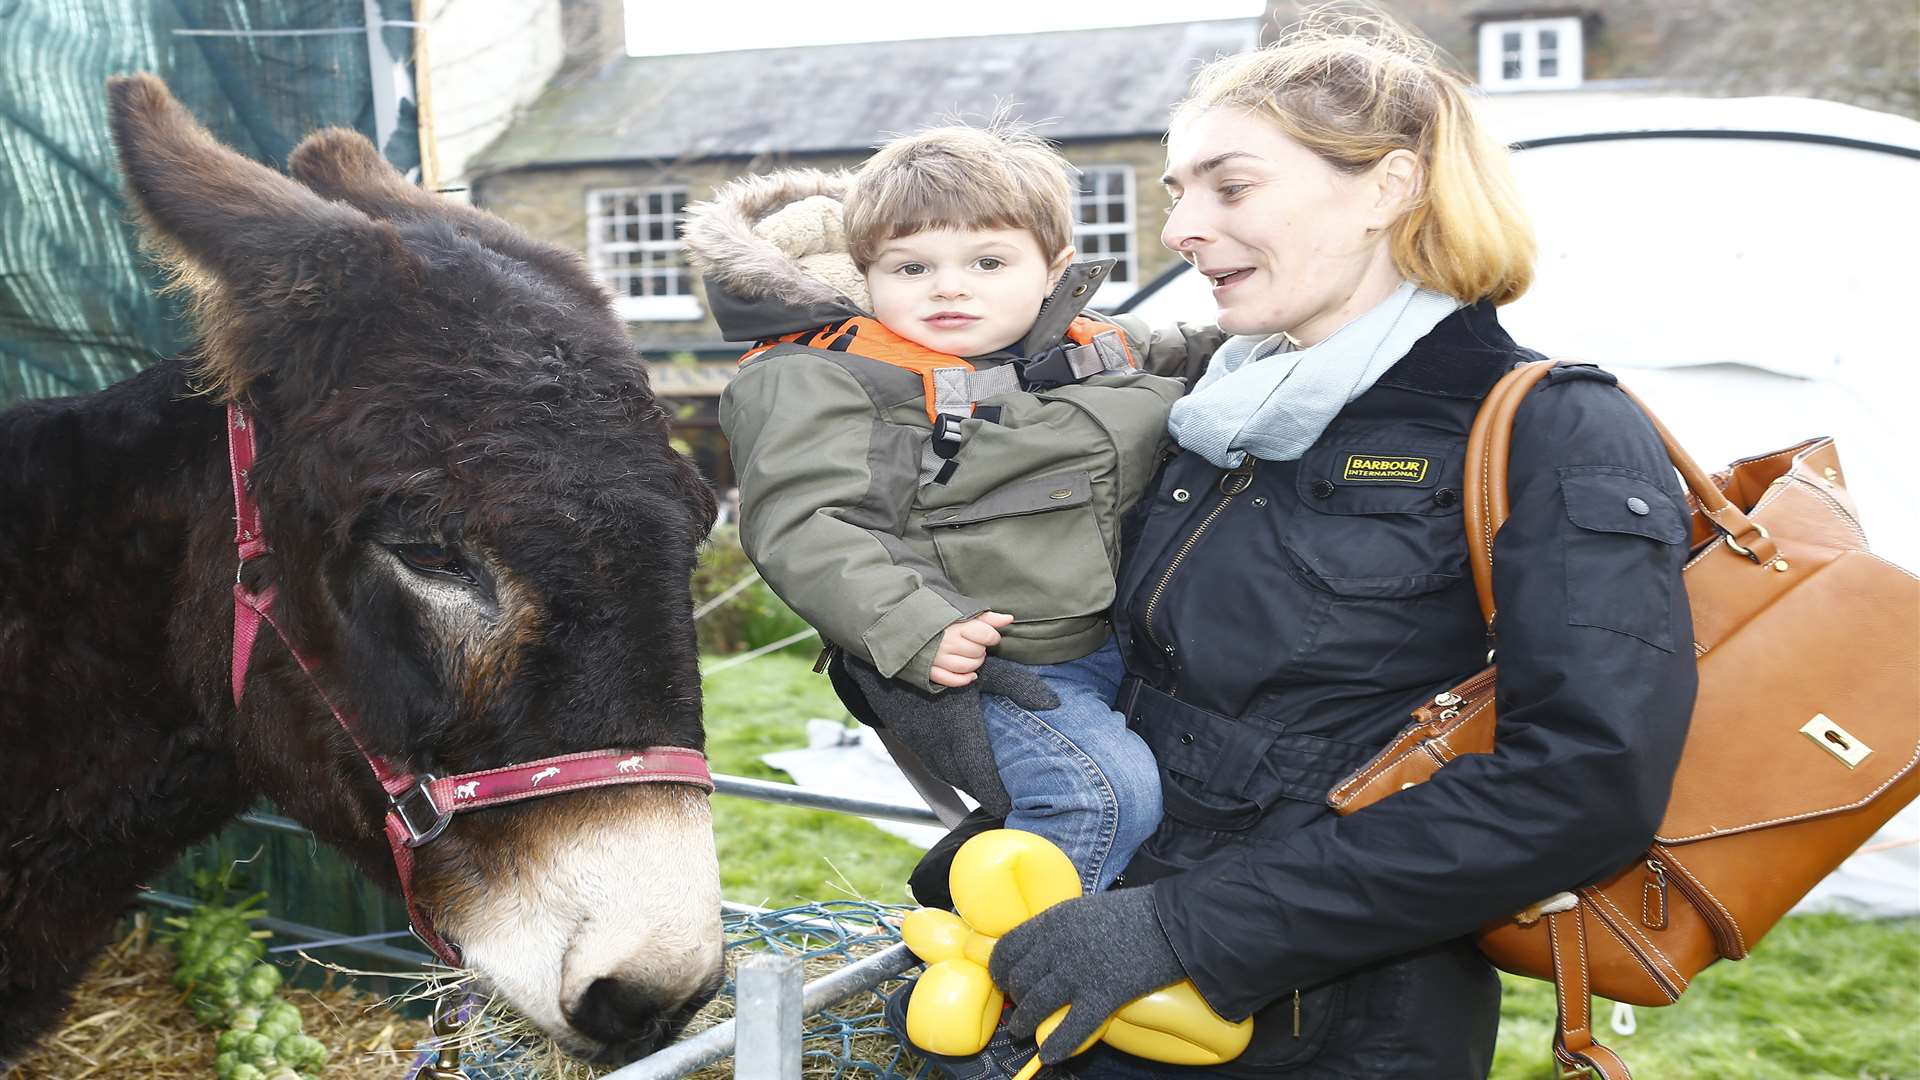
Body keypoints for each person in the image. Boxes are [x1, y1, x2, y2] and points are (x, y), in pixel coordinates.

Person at [966, 12, 1698, 1079]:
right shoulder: (1219, 411)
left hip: (1335, 1024)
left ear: (1389, 187)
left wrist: (1187, 930)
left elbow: (1583, 787)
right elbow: (1147, 682)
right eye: (1180, 194)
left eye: (1231, 186)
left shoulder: (1551, 426)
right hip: (1097, 962)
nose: (1184, 228)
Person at [685, 123, 1219, 895]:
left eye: (988, 262)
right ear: (869, 276)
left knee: (1209, 779)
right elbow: (802, 521)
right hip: (981, 660)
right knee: (1101, 795)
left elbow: (1199, 345)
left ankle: (963, 901)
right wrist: (915, 625)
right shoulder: (830, 378)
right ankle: (1023, 981)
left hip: (1122, 639)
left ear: (1053, 271)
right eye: (912, 266)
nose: (948, 286)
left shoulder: (1091, 342)